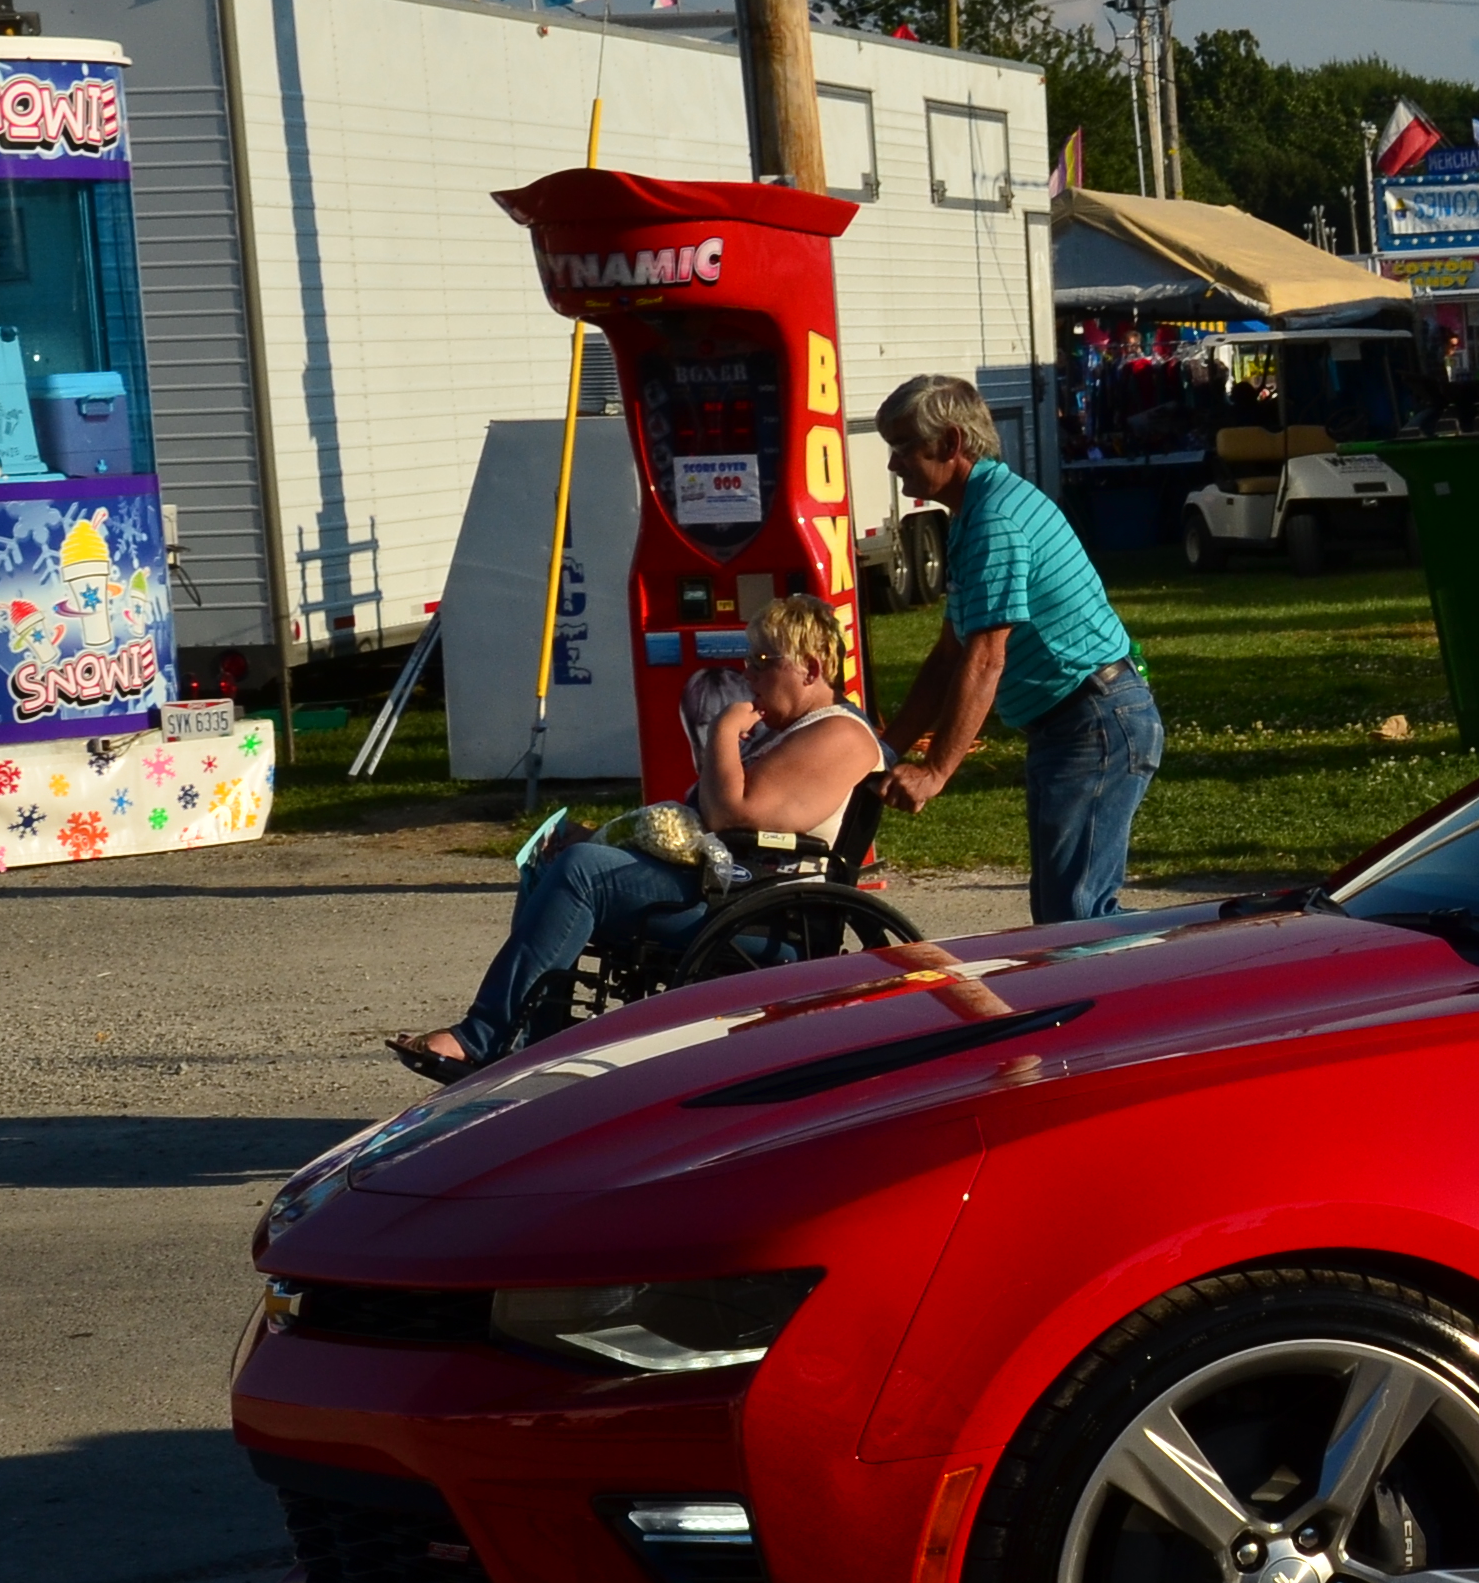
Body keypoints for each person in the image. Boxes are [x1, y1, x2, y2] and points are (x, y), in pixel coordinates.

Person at [396, 596, 882, 1078]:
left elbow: (729, 817)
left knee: (582, 873)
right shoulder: (793, 729)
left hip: (758, 914)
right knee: (555, 861)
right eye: (745, 659)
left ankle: (481, 1037)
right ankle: (532, 1046)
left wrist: (721, 731)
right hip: (724, 885)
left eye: (760, 662)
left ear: (810, 668)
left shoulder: (838, 735)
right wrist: (608, 838)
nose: (746, 675)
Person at [874, 372, 1161, 926]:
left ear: (951, 443)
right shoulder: (974, 512)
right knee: (1066, 914)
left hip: (1094, 719)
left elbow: (985, 656)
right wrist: (885, 749)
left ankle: (1173, 991)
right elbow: (948, 655)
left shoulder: (994, 519)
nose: (893, 464)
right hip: (1080, 720)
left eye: (904, 447)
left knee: (1076, 919)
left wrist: (934, 773)